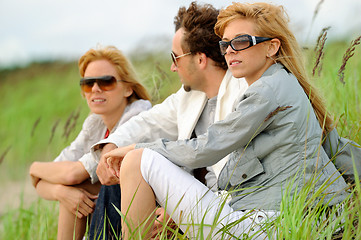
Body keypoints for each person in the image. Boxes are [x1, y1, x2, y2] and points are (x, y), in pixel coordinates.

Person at [103, 2, 360, 239]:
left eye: (241, 42)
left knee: (138, 161)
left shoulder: (267, 90)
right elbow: (335, 147)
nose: (229, 52)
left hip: (267, 224)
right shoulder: (280, 84)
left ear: (272, 46)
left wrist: (138, 148)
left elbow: (207, 147)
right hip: (266, 216)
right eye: (225, 44)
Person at [90, 2, 248, 239]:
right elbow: (148, 122)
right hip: (192, 202)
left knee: (135, 160)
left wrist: (178, 215)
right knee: (118, 172)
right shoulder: (189, 97)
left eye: (175, 57)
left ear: (201, 59)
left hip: (227, 211)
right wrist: (111, 148)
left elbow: (241, 181)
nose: (172, 67)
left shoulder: (243, 95)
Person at [29, 45, 151, 240]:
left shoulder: (139, 117)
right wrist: (62, 192)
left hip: (150, 213)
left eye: (106, 82)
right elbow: (44, 182)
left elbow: (72, 174)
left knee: (79, 188)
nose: (95, 89)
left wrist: (35, 167)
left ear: (128, 88)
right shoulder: (95, 123)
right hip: (113, 207)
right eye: (87, 83)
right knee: (73, 195)